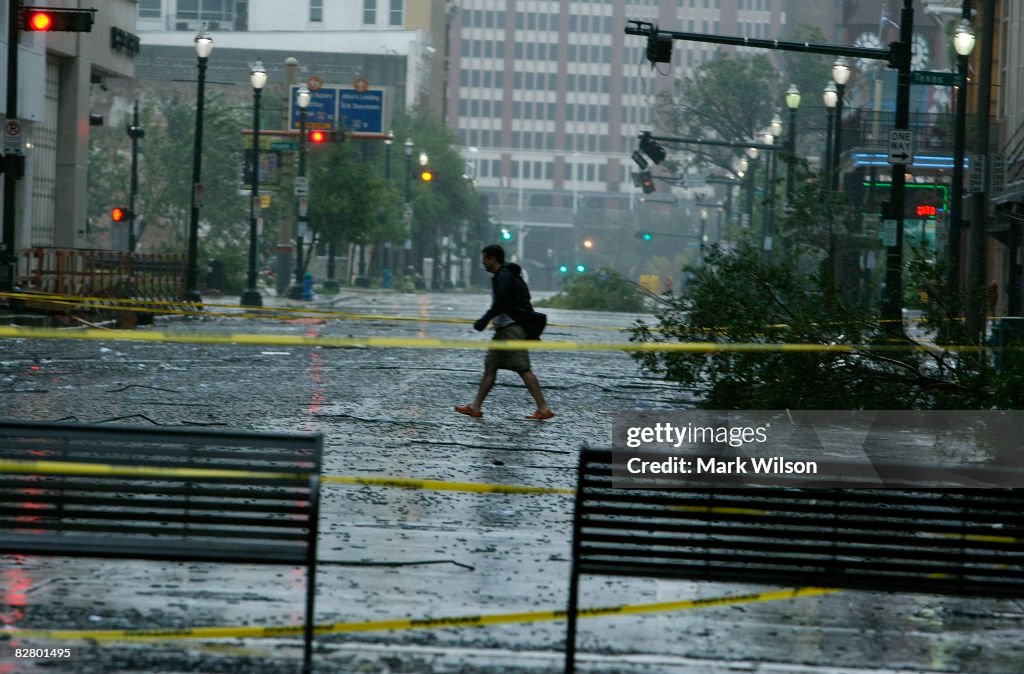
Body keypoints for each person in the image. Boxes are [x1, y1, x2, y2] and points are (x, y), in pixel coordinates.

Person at [455, 244, 555, 420]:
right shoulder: (504, 275)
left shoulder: (504, 276)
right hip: (504, 329)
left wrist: (484, 320)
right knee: (490, 367)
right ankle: (475, 407)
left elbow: (502, 302)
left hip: (511, 331)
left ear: (493, 259)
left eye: (485, 258)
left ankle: (544, 408)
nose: (483, 262)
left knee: (523, 369)